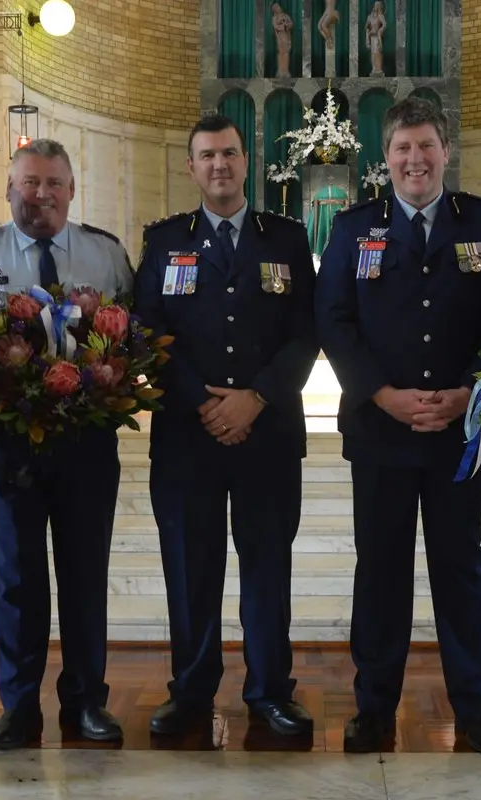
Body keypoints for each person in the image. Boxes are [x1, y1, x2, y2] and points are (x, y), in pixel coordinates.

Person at [315, 97, 481, 757]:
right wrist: (380, 393)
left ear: (445, 151)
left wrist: (469, 391)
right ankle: (374, 708)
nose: (414, 159)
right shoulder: (352, 229)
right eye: (402, 148)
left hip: (460, 431)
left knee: (460, 570)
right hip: (381, 432)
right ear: (385, 157)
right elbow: (334, 322)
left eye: (425, 146)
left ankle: (475, 709)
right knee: (380, 572)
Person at [135, 114, 319, 737]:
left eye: (230, 154)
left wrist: (257, 398)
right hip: (189, 439)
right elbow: (147, 335)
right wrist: (204, 404)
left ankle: (270, 692)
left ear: (248, 163)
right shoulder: (164, 241)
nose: (220, 165)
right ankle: (190, 694)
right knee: (190, 569)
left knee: (268, 568)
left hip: (267, 436)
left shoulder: (287, 239)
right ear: (191, 167)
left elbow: (306, 333)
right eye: (207, 155)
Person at [0, 138, 135, 750]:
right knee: (16, 578)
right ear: (9, 189)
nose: (41, 194)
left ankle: (88, 701)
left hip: (87, 445)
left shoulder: (105, 255)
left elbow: (133, 342)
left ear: (71, 189)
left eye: (53, 183)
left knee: (86, 576)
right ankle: (19, 706)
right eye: (29, 183)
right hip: (12, 447)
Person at [272, 2, 294, 77]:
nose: (278, 8)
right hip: (280, 38)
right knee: (281, 53)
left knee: (286, 53)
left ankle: (285, 70)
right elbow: (276, 27)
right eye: (275, 7)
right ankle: (280, 70)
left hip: (287, 37)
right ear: (274, 10)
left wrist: (286, 25)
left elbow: (291, 24)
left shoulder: (286, 16)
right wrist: (282, 26)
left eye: (278, 6)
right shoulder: (274, 18)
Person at [366, 2, 387, 76]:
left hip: (377, 37)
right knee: (372, 54)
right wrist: (367, 39)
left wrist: (380, 31)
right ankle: (374, 69)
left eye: (377, 6)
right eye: (375, 5)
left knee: (377, 52)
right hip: (371, 37)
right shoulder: (370, 17)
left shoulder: (380, 16)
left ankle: (378, 69)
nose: (375, 7)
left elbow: (384, 25)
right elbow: (367, 27)